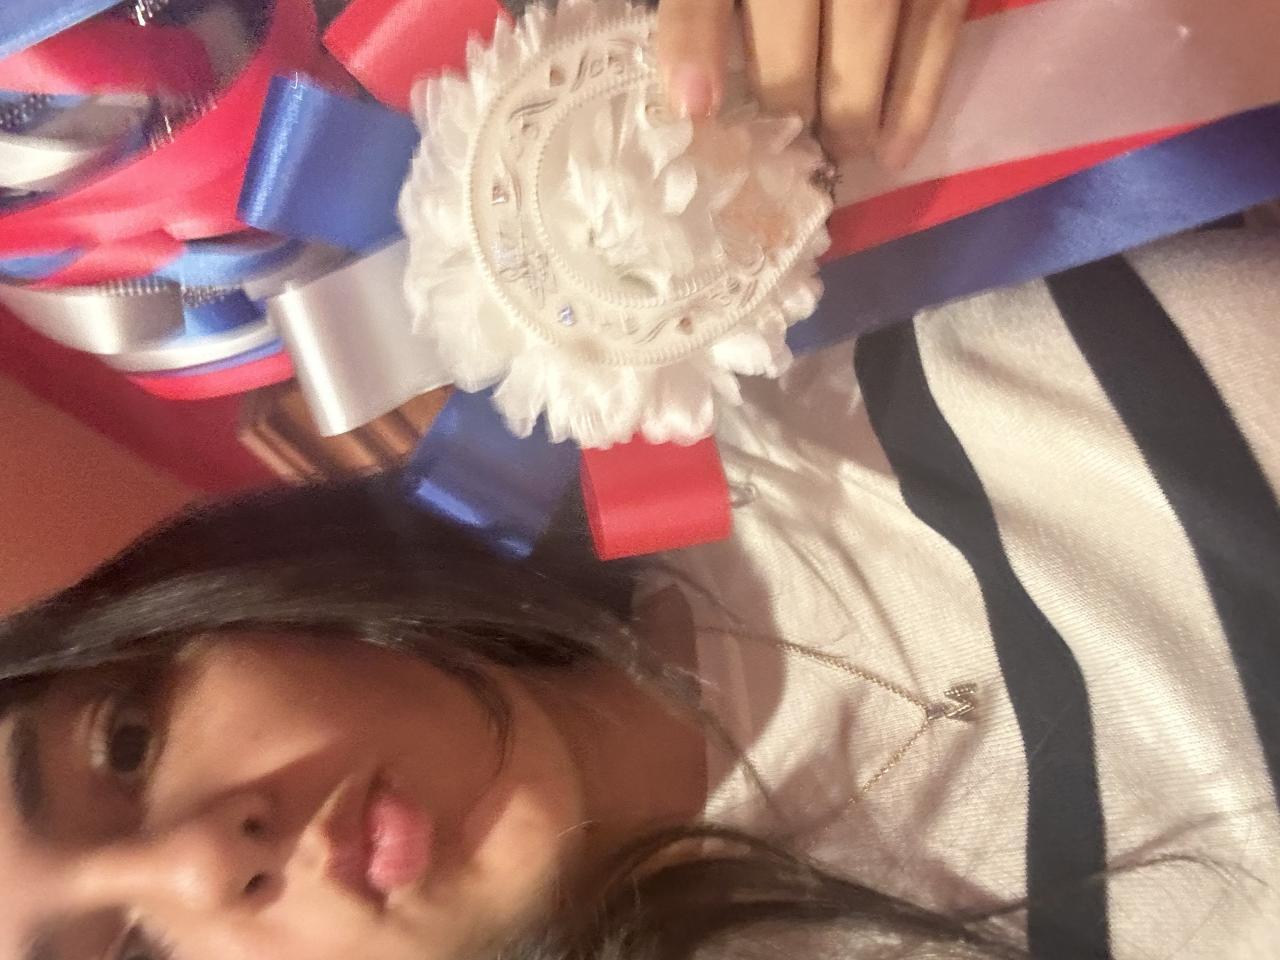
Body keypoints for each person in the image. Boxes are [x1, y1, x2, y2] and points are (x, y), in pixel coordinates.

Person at [2, 221, 1278, 960]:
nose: (201, 861)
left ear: (197, 608)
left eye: (125, 741)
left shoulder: (736, 331)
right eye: (129, 959)